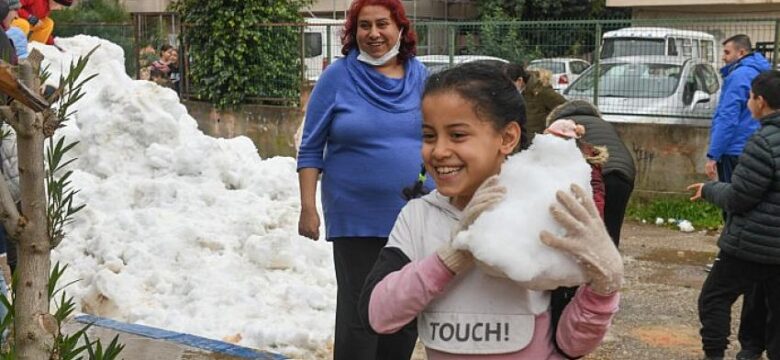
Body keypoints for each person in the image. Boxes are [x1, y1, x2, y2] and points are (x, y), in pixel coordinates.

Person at [359, 62, 622, 359]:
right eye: (429, 136)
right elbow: (377, 315)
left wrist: (604, 286)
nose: (439, 150)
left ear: (507, 138)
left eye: (457, 135)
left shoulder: (540, 210)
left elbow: (572, 345)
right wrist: (452, 256)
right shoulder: (419, 216)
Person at [295, 0, 429, 358]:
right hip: (356, 218)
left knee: (405, 306)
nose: (374, 34)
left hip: (415, 217)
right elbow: (311, 148)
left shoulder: (422, 77)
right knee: (361, 310)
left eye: (382, 24)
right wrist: (308, 207)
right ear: (353, 33)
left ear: (400, 28)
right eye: (364, 26)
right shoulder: (337, 78)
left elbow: (440, 138)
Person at [688, 70, 780, 360]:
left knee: (714, 298)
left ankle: (714, 355)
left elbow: (739, 198)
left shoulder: (762, 142)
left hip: (753, 243)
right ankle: (751, 350)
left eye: (750, 97)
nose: (748, 103)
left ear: (760, 101)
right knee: (771, 304)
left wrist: (709, 190)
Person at [704, 34, 770, 360]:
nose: (724, 57)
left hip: (734, 148)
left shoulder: (741, 75)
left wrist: (713, 153)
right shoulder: (761, 70)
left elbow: (728, 115)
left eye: (727, 51)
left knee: (715, 296)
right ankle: (753, 346)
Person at [546, 100, 635, 247]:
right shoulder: (604, 124)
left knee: (593, 231)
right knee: (612, 228)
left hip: (598, 171)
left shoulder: (563, 128)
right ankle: (611, 261)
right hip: (624, 173)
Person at [503, 63, 566, 143]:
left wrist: (553, 128)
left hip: (539, 142)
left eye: (509, 85)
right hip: (521, 141)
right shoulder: (514, 95)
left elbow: (565, 108)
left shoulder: (541, 91)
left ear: (519, 81)